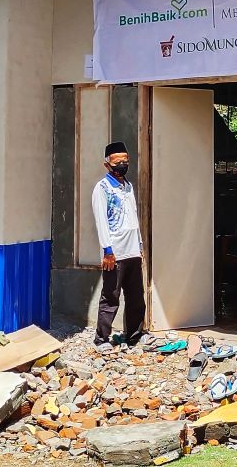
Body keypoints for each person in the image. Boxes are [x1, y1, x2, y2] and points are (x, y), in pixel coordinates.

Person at [92, 141, 144, 350]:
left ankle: (134, 335)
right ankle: (101, 339)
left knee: (136, 297)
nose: (122, 165)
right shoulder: (102, 188)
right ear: (107, 165)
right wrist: (107, 250)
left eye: (125, 161)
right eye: (117, 162)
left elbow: (133, 218)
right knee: (111, 297)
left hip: (133, 251)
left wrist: (140, 246)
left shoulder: (128, 186)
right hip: (115, 252)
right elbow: (101, 220)